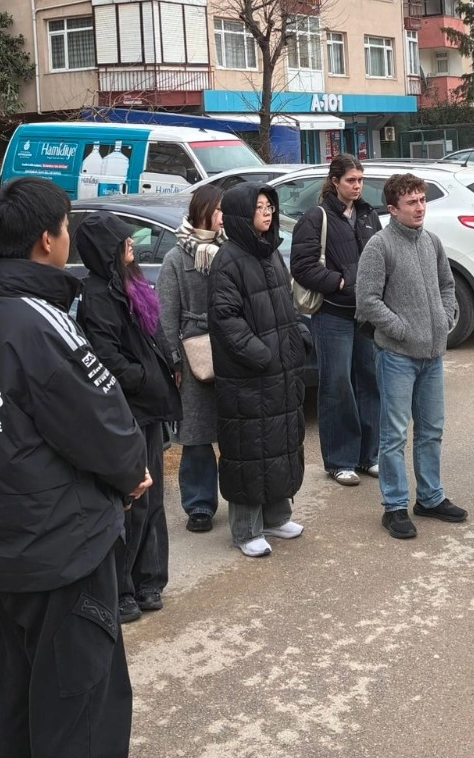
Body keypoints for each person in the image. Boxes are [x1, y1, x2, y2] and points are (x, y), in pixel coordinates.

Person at [0, 177, 149, 758]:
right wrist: (131, 474)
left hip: (8, 537)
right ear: (47, 239)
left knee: (26, 701)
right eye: (65, 227)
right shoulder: (41, 322)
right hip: (62, 543)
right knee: (81, 709)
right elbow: (102, 422)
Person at [75, 212, 182, 624]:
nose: (131, 244)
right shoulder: (98, 296)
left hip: (150, 407)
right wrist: (143, 377)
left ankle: (149, 579)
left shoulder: (134, 284)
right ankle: (120, 588)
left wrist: (167, 364)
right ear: (108, 251)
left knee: (153, 501)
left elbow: (155, 333)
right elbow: (106, 357)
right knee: (130, 502)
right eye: (124, 241)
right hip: (126, 409)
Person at [355, 172, 467, 540]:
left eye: (422, 200)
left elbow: (447, 285)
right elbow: (367, 300)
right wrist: (402, 329)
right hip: (396, 356)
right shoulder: (379, 245)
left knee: (431, 430)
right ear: (393, 209)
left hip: (432, 356)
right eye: (411, 202)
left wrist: (446, 317)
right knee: (394, 435)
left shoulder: (431, 242)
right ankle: (394, 506)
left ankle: (430, 498)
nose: (420, 208)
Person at [208, 183, 309, 558]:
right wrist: (262, 354)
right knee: (249, 450)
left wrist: (298, 339)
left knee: (280, 444)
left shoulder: (270, 252)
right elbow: (226, 320)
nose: (267, 213)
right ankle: (246, 529)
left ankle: (277, 517)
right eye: (259, 207)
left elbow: (287, 303)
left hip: (280, 371)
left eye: (270, 206)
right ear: (240, 215)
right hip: (248, 376)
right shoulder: (227, 260)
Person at [290, 154, 383, 485]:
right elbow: (301, 266)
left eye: (360, 180)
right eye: (351, 180)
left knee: (370, 382)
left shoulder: (368, 215)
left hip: (366, 314)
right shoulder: (316, 217)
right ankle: (340, 460)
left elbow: (380, 257)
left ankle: (370, 456)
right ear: (334, 182)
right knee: (337, 385)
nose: (357, 186)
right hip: (332, 314)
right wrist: (340, 281)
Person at [157, 187, 224, 534]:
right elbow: (166, 314)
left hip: (231, 346)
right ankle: (199, 504)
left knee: (235, 429)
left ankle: (241, 496)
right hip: (192, 349)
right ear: (203, 211)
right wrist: (174, 362)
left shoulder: (232, 249)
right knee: (196, 434)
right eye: (219, 209)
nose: (224, 216)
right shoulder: (175, 257)